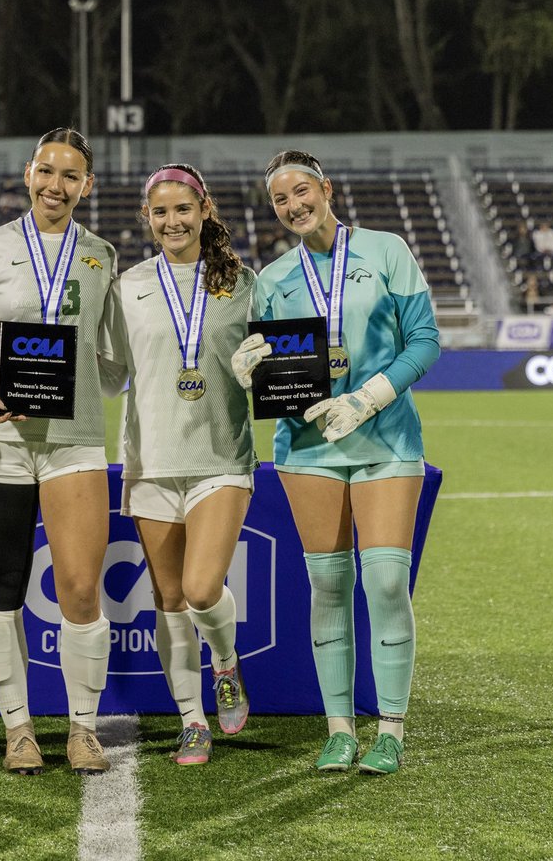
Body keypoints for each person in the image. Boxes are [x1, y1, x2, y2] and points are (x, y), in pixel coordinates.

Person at [232, 149, 439, 776]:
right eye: (280, 200)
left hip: (386, 438)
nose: (294, 206)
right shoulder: (272, 279)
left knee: (383, 581)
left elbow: (424, 340)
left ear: (326, 189)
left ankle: (392, 728)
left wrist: (367, 397)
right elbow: (277, 374)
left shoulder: (386, 250)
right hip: (307, 447)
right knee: (327, 584)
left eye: (302, 191)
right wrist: (252, 368)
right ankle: (340, 728)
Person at [0, 127, 118, 776]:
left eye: (70, 175)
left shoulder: (101, 255)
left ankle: (82, 729)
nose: (56, 185)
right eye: (46, 171)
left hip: (73, 438)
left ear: (87, 185)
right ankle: (18, 730)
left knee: (79, 589)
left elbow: (112, 360)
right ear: (28, 174)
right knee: (3, 590)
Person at [106, 163, 256, 766]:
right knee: (168, 599)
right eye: (160, 212)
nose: (172, 221)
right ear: (148, 218)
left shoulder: (244, 284)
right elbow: (110, 373)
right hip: (151, 462)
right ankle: (192, 720)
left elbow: (276, 355)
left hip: (221, 456)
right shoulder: (127, 287)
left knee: (199, 589)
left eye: (182, 209)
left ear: (204, 210)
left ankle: (224, 664)